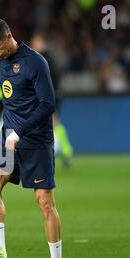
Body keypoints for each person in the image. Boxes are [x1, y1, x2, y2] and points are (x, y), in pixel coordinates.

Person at [0, 18, 65, 258]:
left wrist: (20, 132)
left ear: (9, 36)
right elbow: (13, 100)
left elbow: (47, 104)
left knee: (44, 202)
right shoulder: (0, 60)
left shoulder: (35, 62)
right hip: (8, 136)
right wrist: (9, 131)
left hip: (35, 140)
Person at [30, 32, 73, 167]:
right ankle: (64, 151)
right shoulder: (47, 57)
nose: (33, 45)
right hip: (49, 94)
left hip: (47, 96)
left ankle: (65, 151)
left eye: (36, 42)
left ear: (43, 43)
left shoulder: (42, 58)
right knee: (50, 123)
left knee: (51, 122)